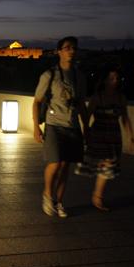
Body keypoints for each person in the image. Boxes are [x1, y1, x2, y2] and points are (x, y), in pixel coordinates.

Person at [32, 36, 89, 218]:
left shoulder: (79, 77)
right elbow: (37, 102)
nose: (71, 51)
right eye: (67, 48)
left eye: (74, 48)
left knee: (65, 167)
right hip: (54, 125)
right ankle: (47, 195)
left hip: (72, 126)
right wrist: (36, 127)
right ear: (59, 51)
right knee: (55, 163)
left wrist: (86, 126)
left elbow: (81, 103)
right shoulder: (49, 75)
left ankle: (59, 201)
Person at [75, 65, 134, 211]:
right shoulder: (98, 97)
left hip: (114, 135)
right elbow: (87, 115)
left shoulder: (121, 98)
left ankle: (97, 196)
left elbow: (125, 118)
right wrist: (86, 131)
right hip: (99, 134)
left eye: (116, 78)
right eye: (111, 78)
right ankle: (97, 197)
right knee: (105, 165)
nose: (114, 81)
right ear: (104, 80)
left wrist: (131, 137)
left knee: (107, 166)